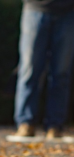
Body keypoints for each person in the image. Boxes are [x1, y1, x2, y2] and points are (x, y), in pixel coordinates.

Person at [14, 0, 74, 138]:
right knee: (29, 70)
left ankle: (55, 125)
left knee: (61, 72)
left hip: (68, 11)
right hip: (34, 8)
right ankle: (25, 122)